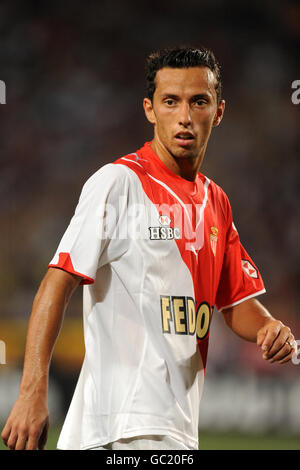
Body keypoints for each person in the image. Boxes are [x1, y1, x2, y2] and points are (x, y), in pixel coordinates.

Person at [1, 46, 297, 451]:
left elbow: (235, 302)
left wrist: (266, 327)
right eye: (170, 101)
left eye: (199, 102)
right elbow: (57, 283)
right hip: (124, 425)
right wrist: (32, 392)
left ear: (220, 111)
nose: (185, 116)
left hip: (171, 427)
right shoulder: (118, 183)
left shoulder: (216, 202)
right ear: (149, 109)